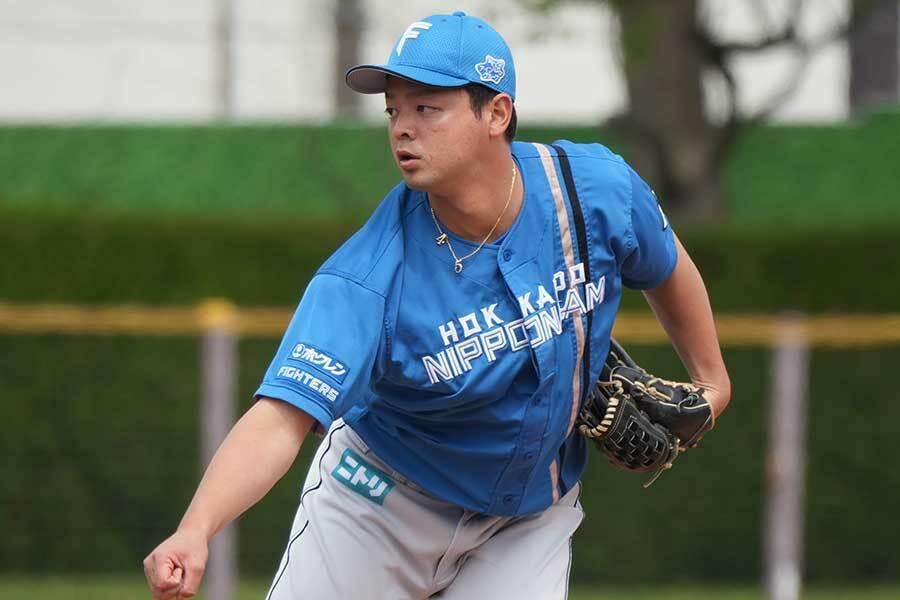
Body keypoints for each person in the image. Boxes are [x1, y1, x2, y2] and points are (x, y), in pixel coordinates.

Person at [144, 10, 731, 600]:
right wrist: (196, 529)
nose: (403, 127)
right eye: (393, 109)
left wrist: (713, 380)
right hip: (378, 510)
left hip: (525, 522)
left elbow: (667, 265)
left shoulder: (591, 193)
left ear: (496, 113)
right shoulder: (370, 272)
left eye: (427, 107)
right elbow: (280, 418)